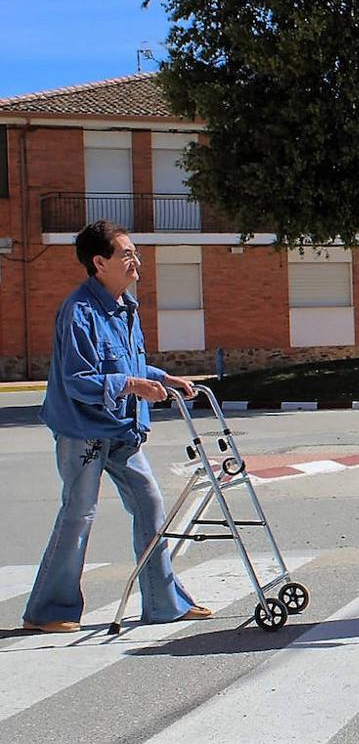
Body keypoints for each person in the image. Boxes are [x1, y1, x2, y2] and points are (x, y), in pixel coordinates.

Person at [23, 221, 210, 633]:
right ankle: (49, 610)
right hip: (82, 431)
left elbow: (129, 364)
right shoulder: (80, 312)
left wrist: (162, 379)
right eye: (127, 254)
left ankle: (164, 604)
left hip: (122, 429)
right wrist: (132, 385)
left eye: (134, 253)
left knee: (150, 504)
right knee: (79, 514)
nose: (135, 261)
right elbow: (77, 380)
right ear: (99, 262)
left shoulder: (125, 307)